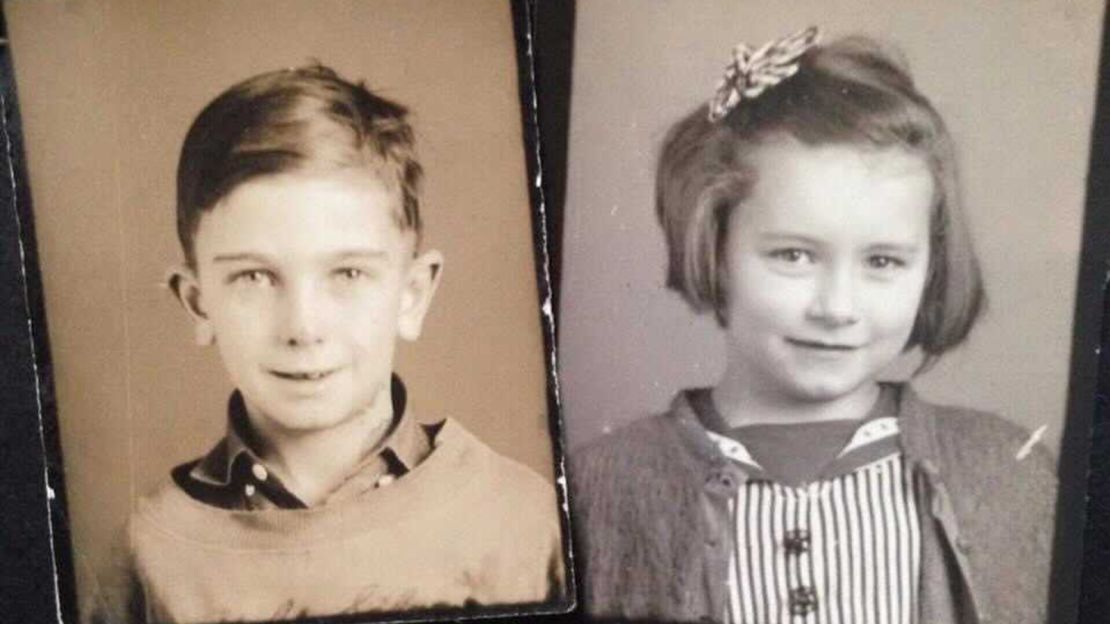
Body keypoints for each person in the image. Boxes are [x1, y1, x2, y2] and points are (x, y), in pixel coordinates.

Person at [571, 28, 1056, 624]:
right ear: (713, 244)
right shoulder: (598, 488)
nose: (836, 306)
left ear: (930, 266)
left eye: (882, 262)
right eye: (794, 255)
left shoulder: (1008, 473)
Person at [90, 63, 564, 624]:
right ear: (197, 303)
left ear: (412, 295)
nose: (303, 327)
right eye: (254, 277)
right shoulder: (149, 555)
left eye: (347, 274)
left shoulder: (520, 521)